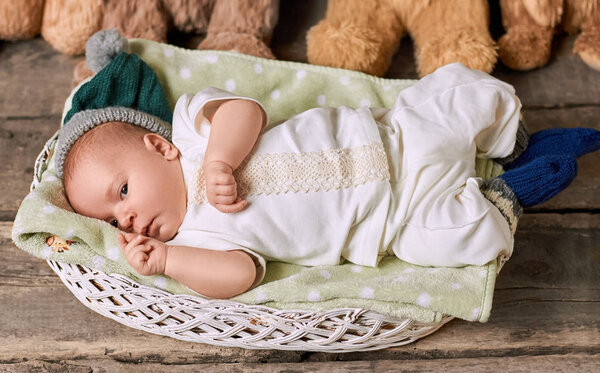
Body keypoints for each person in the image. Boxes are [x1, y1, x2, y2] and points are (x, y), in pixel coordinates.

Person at [55, 36, 600, 300]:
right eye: (114, 221)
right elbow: (241, 275)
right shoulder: (197, 239)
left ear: (158, 147)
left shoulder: (193, 129)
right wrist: (170, 259)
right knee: (460, 238)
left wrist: (221, 157)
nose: (127, 218)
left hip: (394, 135)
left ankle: (513, 139)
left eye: (121, 191)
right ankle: (509, 191)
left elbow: (246, 110)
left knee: (464, 91)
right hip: (392, 218)